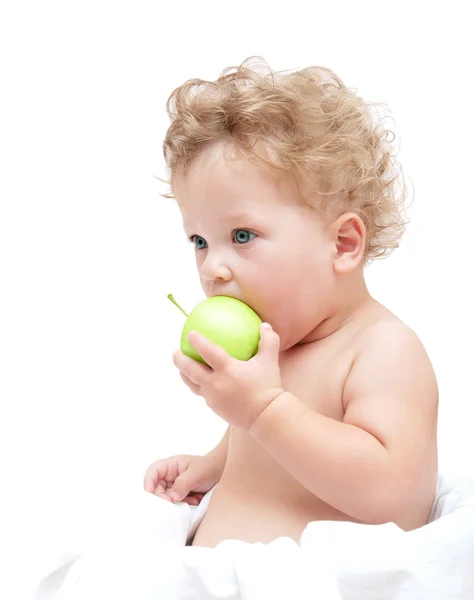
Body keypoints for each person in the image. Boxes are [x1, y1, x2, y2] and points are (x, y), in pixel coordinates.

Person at [144, 57, 438, 548]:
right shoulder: (274, 344)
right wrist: (213, 464)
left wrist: (263, 410)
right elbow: (262, 447)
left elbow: (395, 496)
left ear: (343, 243)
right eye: (199, 241)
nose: (212, 268)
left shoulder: (382, 351)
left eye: (242, 235)